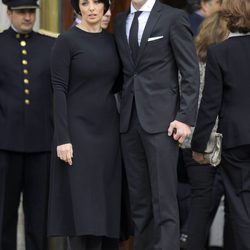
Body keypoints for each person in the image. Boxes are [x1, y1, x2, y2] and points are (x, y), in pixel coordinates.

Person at [114, 0, 200, 249]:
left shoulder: (173, 18)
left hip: (163, 123)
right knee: (140, 204)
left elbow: (190, 71)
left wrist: (185, 118)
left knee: (164, 202)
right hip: (129, 122)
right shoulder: (120, 21)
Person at [47, 0, 122, 249]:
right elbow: (58, 90)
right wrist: (62, 138)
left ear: (105, 6)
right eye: (84, 3)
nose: (91, 8)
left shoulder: (112, 42)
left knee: (105, 208)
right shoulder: (66, 41)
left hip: (109, 134)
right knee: (80, 210)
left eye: (97, 2)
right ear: (78, 7)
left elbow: (120, 85)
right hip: (77, 135)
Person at [192, 0, 250, 249]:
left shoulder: (219, 52)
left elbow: (209, 105)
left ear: (228, 16)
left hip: (236, 141)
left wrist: (198, 145)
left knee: (239, 206)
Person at [0, 0, 55, 249]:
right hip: (4, 144)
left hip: (41, 144)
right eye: (21, 12)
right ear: (9, 13)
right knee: (4, 214)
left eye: (31, 12)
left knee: (39, 216)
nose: (27, 17)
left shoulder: (50, 45)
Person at [180, 11, 229, 250]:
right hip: (220, 141)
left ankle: (189, 240)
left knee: (199, 200)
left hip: (189, 140)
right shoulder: (226, 62)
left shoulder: (189, 62)